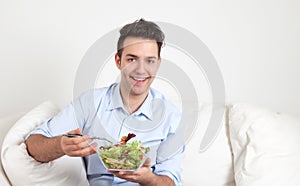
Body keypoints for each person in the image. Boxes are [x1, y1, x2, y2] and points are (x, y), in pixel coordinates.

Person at [25, 18, 184, 186]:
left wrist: (148, 178)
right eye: (132, 59)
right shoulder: (89, 103)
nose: (141, 70)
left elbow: (170, 181)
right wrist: (61, 145)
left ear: (158, 64)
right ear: (118, 61)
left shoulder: (171, 116)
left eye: (150, 61)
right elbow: (33, 144)